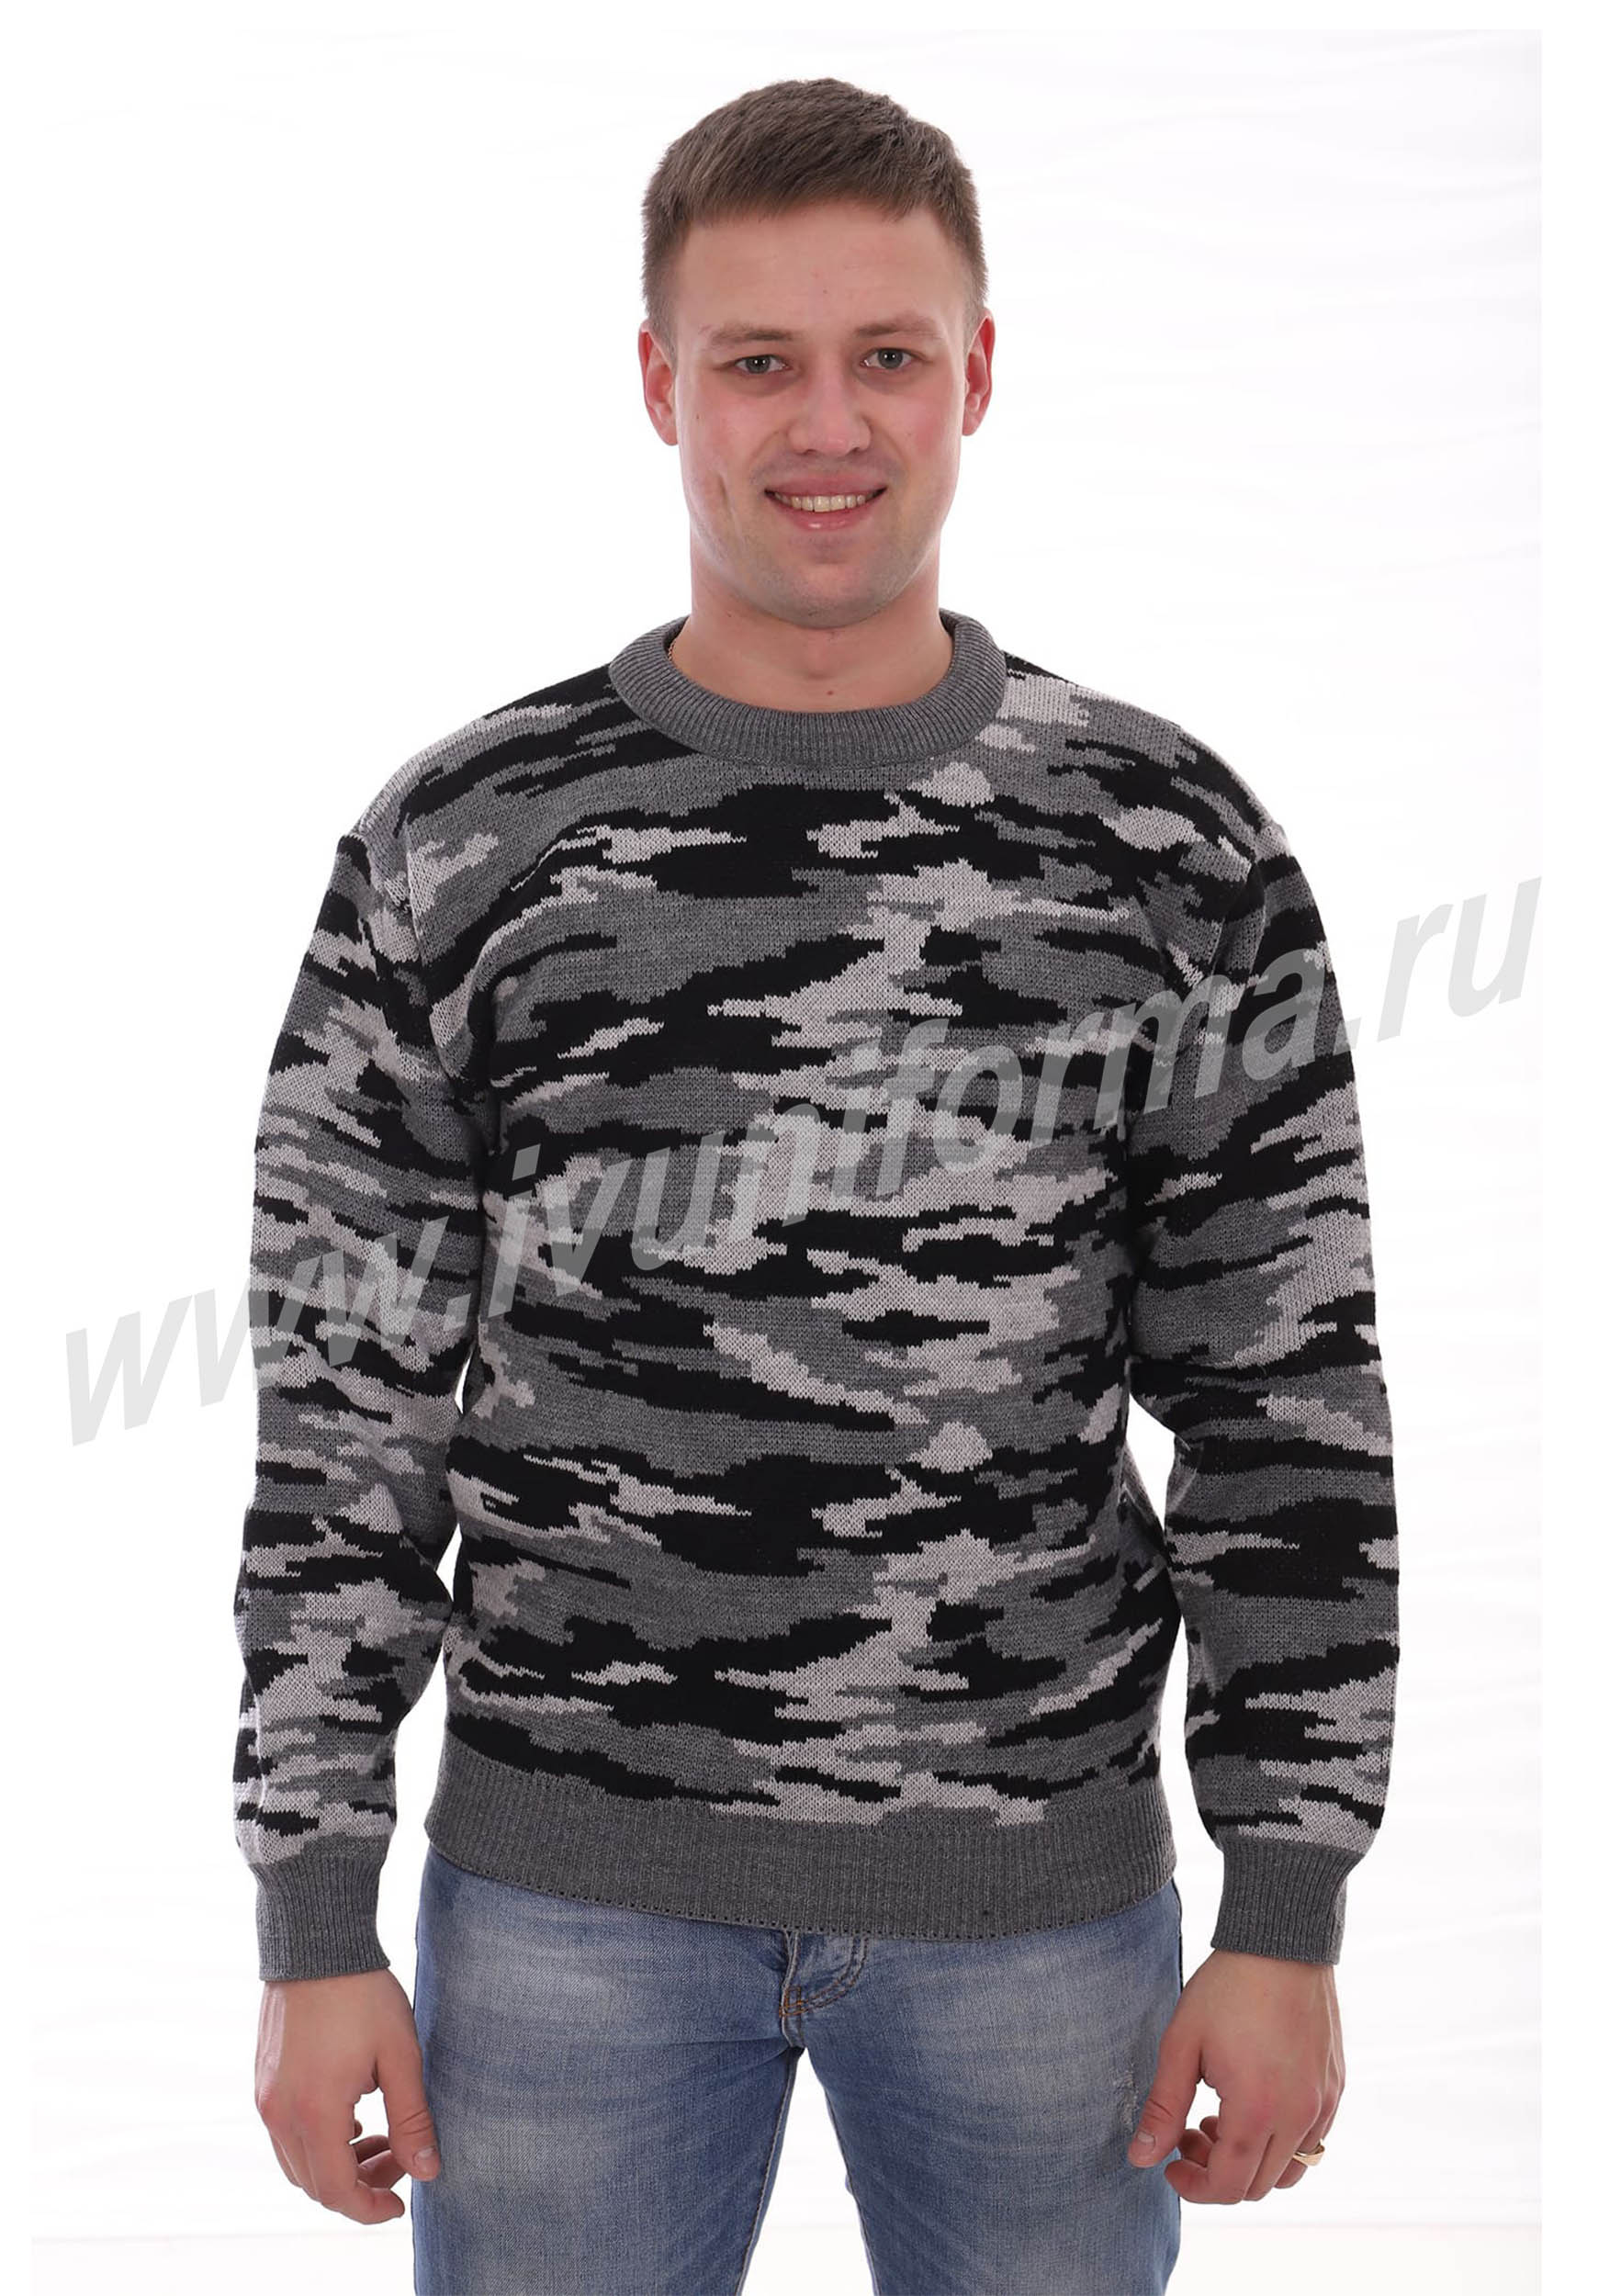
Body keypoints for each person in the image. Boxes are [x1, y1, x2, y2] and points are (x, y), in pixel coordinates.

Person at [234, 75, 1400, 2296]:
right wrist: (310, 1911)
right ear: (659, 381)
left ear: (979, 371)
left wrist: (1286, 1907)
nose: (827, 424)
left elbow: (1286, 1407)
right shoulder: (461, 843)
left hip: (1041, 1902)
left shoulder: (1169, 846)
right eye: (758, 359)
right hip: (564, 1898)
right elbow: (341, 1419)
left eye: (886, 354)